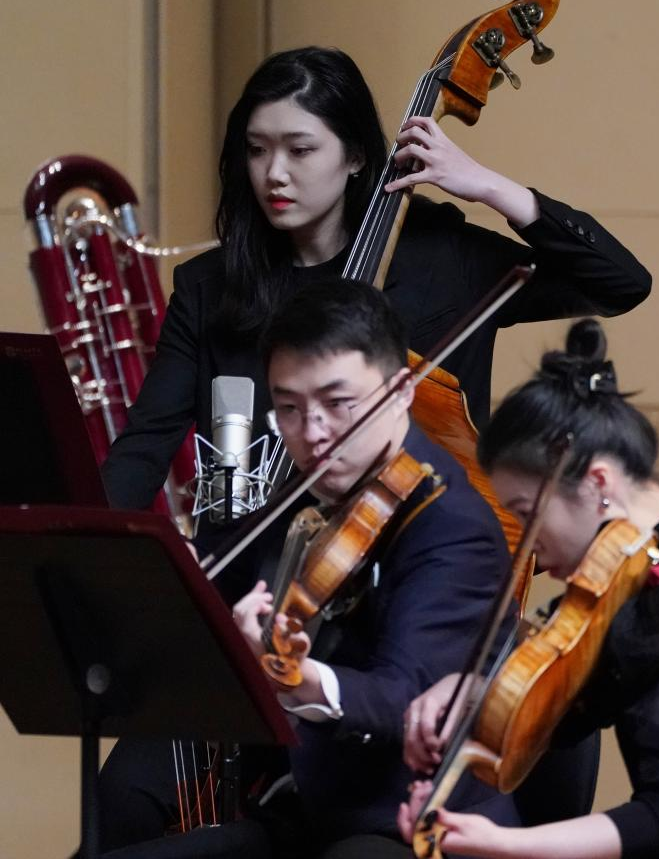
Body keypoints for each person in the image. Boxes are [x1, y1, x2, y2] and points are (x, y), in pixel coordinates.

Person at [101, 45, 652, 554]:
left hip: (421, 559)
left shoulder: (444, 260)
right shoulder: (209, 286)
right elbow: (144, 447)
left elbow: (620, 282)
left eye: (300, 150)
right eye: (257, 150)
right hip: (249, 574)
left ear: (357, 156)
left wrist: (488, 186)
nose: (274, 173)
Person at [95, 278, 521, 858]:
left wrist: (295, 676)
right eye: (289, 408)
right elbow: (232, 583)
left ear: (401, 391)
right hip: (302, 804)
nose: (313, 434)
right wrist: (183, 583)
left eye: (338, 404)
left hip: (403, 823)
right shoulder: (314, 488)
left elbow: (403, 701)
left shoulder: (452, 525)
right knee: (119, 811)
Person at [398, 319, 659, 859]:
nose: (530, 550)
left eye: (526, 514)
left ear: (598, 483)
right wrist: (472, 692)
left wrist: (508, 845)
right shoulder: (631, 566)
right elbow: (562, 701)